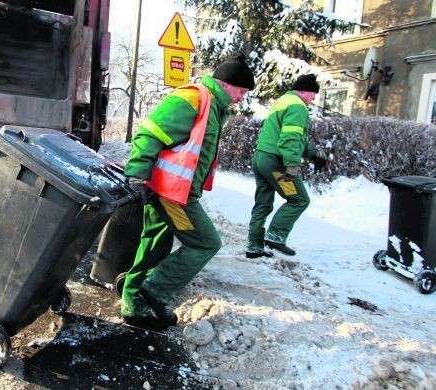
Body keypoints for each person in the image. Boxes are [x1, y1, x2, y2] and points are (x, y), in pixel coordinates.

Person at [122, 52, 256, 330]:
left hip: (170, 191)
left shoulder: (213, 108)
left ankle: (134, 305)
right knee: (205, 242)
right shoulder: (194, 98)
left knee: (155, 244)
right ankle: (154, 291)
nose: (242, 96)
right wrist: (136, 173)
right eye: (241, 90)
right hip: (169, 193)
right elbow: (150, 132)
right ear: (225, 83)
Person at [246, 74, 327, 258]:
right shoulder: (298, 107)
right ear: (304, 91)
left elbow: (294, 138)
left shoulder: (283, 101)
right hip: (276, 162)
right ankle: (276, 236)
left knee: (262, 203)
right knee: (299, 200)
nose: (314, 98)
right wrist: (292, 166)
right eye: (313, 93)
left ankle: (254, 246)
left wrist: (314, 156)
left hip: (261, 158)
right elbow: (290, 139)